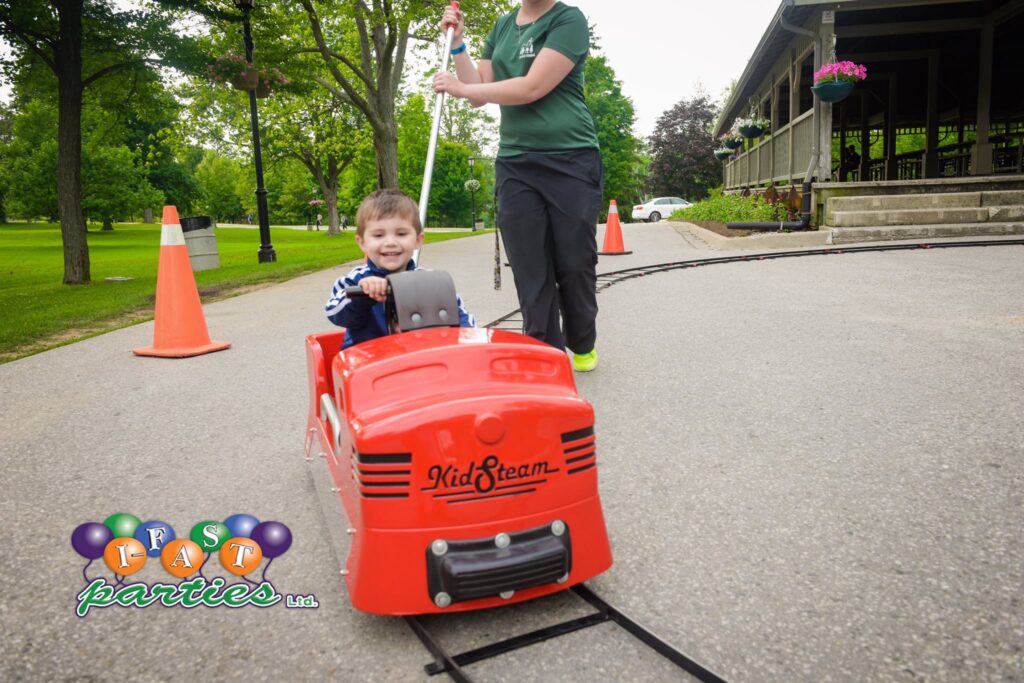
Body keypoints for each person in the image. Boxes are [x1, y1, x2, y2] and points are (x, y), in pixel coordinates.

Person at [433, 0, 602, 372]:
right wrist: (459, 43)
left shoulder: (567, 19)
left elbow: (531, 87)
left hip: (571, 159)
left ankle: (582, 340)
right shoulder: (503, 26)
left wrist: (461, 90)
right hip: (515, 162)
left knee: (574, 263)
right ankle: (545, 352)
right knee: (529, 265)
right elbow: (481, 89)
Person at [325, 189, 475, 350]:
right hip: (367, 360)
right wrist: (363, 294)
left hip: (416, 359)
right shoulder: (355, 280)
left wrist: (466, 341)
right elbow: (334, 312)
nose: (390, 242)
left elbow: (463, 320)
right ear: (362, 242)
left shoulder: (430, 282)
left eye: (401, 234)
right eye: (378, 235)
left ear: (418, 240)